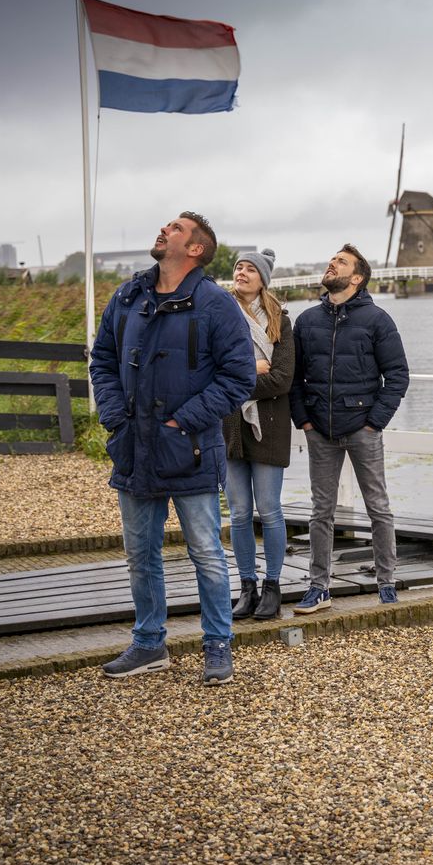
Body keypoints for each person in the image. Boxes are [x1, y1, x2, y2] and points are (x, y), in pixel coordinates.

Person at [90, 212, 256, 686]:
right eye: (166, 226)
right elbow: (101, 358)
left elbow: (238, 378)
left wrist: (182, 421)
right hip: (133, 447)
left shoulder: (216, 305)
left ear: (197, 248)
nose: (164, 231)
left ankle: (217, 644)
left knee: (205, 551)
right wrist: (115, 416)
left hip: (190, 450)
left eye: (176, 229)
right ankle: (148, 644)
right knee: (140, 552)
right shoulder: (127, 296)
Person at [288, 244, 409, 614]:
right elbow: (294, 378)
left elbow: (398, 376)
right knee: (320, 511)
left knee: (378, 506)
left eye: (340, 262)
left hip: (362, 428)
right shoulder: (307, 321)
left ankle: (386, 582)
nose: (331, 264)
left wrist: (374, 423)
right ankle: (318, 586)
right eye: (331, 260)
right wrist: (303, 420)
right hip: (319, 429)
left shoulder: (377, 319)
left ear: (356, 277)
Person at [223, 249, 295, 621]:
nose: (243, 272)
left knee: (269, 510)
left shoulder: (280, 321)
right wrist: (251, 369)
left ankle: (272, 586)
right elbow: (212, 369)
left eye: (251, 268)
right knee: (238, 513)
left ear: (263, 278)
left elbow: (282, 379)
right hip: (230, 425)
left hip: (269, 424)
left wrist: (236, 380)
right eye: (239, 267)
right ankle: (246, 586)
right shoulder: (220, 314)